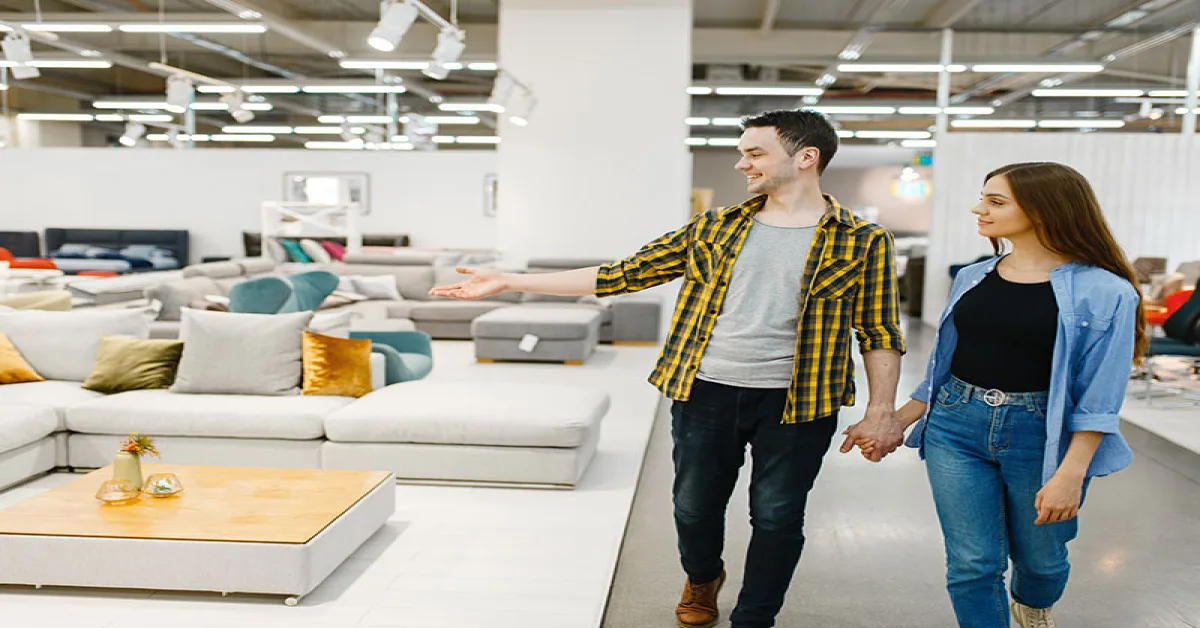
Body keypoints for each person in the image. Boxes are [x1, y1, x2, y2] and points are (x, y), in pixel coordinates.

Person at [430, 109, 907, 628]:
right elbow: (621, 274)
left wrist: (881, 411)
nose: (740, 163)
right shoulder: (716, 226)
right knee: (693, 508)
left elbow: (880, 331)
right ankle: (703, 577)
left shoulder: (863, 239)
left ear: (806, 157)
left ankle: (755, 617)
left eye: (754, 153)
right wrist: (509, 280)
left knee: (777, 516)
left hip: (800, 401)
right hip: (706, 391)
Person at [846, 162, 1145, 628]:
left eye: (995, 201)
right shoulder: (973, 276)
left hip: (1041, 434)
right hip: (955, 427)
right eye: (984, 198)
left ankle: (1031, 606)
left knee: (1042, 561)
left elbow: (1099, 400)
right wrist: (897, 420)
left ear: (1045, 210)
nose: (978, 209)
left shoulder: (1107, 292)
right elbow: (943, 368)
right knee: (973, 563)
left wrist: (1071, 473)